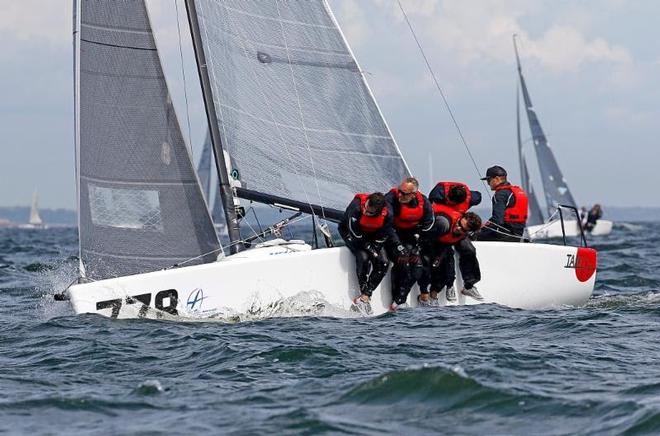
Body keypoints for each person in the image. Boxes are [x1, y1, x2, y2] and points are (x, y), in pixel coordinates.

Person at [338, 192, 395, 314]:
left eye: (370, 213)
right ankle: (363, 294)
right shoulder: (356, 208)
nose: (366, 212)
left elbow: (385, 233)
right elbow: (355, 234)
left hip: (373, 237)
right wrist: (369, 249)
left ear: (379, 212)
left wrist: (375, 248)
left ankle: (365, 296)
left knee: (384, 263)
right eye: (366, 209)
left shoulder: (388, 213)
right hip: (351, 234)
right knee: (364, 258)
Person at [427, 182, 483, 303]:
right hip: (443, 227)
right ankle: (448, 286)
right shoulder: (438, 193)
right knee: (446, 253)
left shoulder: (470, 198)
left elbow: (479, 196)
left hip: (457, 230)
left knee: (469, 249)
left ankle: (469, 285)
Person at [385, 177, 434, 311]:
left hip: (410, 236)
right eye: (400, 191)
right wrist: (399, 246)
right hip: (391, 235)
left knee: (419, 264)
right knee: (403, 262)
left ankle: (400, 299)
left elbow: (428, 225)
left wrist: (418, 246)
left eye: (404, 193)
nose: (400, 195)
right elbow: (387, 226)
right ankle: (397, 300)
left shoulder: (423, 202)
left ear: (413, 194)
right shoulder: (391, 199)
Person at [477, 165, 528, 242]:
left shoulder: (500, 195)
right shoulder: (516, 192)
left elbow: (497, 221)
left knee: (474, 236)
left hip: (504, 235)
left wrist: (481, 230)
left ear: (497, 179)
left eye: (489, 180)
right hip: (518, 234)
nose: (488, 184)